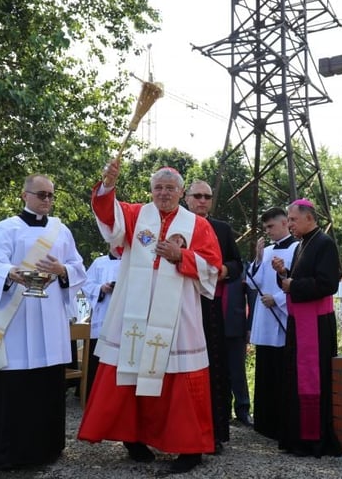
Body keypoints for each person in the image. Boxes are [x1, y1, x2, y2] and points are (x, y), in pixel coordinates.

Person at [78, 162, 222, 475]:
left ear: (181, 192)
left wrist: (180, 256)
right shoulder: (134, 215)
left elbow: (213, 267)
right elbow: (108, 219)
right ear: (151, 191)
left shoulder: (197, 225)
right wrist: (107, 185)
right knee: (129, 372)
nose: (164, 193)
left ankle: (189, 447)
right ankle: (133, 438)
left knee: (180, 376)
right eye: (158, 187)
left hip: (179, 313)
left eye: (170, 188)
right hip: (135, 311)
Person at [0, 174, 86, 471]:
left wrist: (63, 270)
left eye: (50, 195)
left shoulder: (61, 230)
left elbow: (78, 266)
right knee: (16, 387)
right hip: (18, 319)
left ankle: (48, 449)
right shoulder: (6, 228)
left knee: (49, 386)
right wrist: (10, 273)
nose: (46, 200)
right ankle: (11, 453)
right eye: (41, 194)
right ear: (25, 195)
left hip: (50, 317)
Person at [273, 199, 342, 457]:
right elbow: (298, 279)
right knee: (297, 379)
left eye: (292, 219)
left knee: (312, 380)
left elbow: (328, 284)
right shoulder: (302, 243)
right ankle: (297, 437)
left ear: (309, 218)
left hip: (316, 325)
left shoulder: (325, 244)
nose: (289, 224)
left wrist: (293, 285)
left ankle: (313, 439)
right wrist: (284, 274)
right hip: (301, 322)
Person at [185, 180, 248, 452]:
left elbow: (237, 264)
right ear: (186, 198)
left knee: (214, 371)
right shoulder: (176, 225)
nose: (202, 201)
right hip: (180, 304)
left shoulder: (221, 228)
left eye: (207, 197)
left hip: (211, 309)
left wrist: (223, 271)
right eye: (197, 196)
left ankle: (215, 434)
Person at [247, 206, 297, 440]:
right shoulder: (265, 251)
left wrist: (276, 299)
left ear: (285, 223)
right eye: (265, 228)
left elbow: (295, 282)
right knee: (265, 370)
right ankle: (264, 422)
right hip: (265, 318)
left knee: (282, 371)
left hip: (282, 314)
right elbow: (251, 281)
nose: (268, 232)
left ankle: (282, 422)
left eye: (271, 227)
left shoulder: (298, 248)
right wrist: (257, 259)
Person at [81, 243, 121, 398]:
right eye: (114, 244)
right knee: (97, 356)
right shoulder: (99, 262)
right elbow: (85, 283)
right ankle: (93, 394)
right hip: (102, 313)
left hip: (121, 314)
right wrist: (101, 289)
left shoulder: (130, 263)